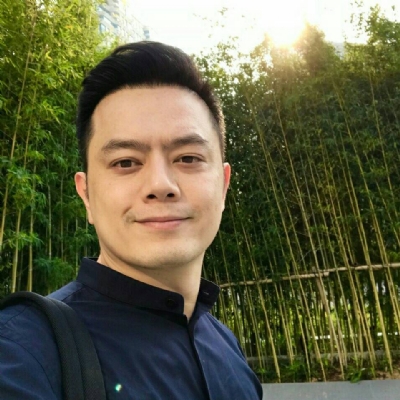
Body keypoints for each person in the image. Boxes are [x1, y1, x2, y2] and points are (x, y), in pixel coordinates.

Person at [0, 41, 263, 399]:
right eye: (125, 162)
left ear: (224, 186)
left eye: (188, 158)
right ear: (86, 194)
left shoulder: (227, 348)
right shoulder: (24, 353)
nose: (160, 185)